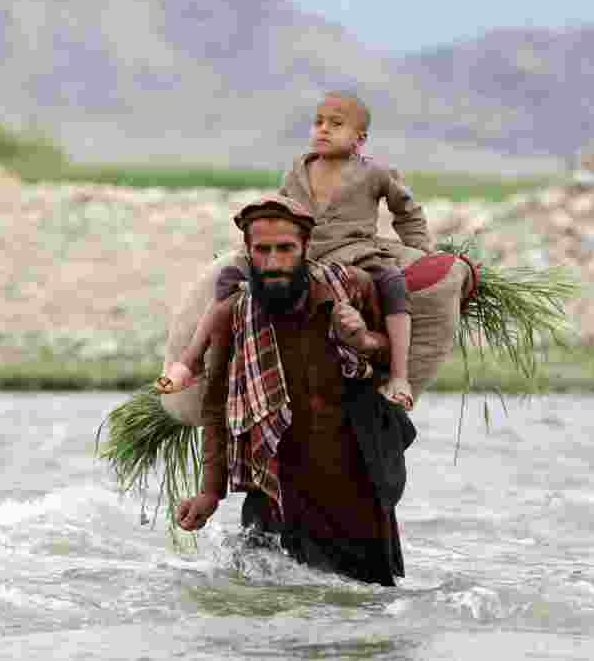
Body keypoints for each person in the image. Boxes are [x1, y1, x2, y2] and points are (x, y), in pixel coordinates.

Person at [175, 195, 413, 586]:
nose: (272, 262)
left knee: (364, 610)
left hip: (355, 489)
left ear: (304, 248)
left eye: (285, 249)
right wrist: (209, 493)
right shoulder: (233, 314)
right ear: (248, 253)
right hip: (274, 486)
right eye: (262, 250)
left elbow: (388, 360)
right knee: (267, 611)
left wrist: (362, 338)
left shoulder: (351, 289)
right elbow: (216, 405)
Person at [156, 90, 434, 410]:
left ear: (360, 138)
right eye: (318, 122)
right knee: (230, 275)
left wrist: (420, 249)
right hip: (299, 253)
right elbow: (280, 210)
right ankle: (189, 363)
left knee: (392, 282)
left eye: (336, 123)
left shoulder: (376, 172)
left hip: (354, 251)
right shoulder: (298, 168)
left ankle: (399, 376)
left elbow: (407, 211)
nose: (323, 129)